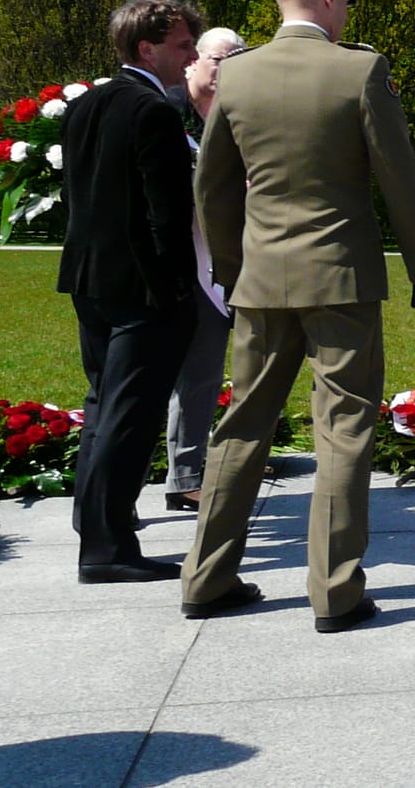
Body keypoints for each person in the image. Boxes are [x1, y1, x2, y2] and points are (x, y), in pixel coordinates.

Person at [181, 0, 415, 633]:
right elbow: (401, 183)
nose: (348, 9)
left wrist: (232, 270)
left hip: (260, 281)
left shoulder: (238, 74)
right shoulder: (359, 69)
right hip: (340, 280)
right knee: (344, 428)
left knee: (242, 426)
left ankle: (206, 578)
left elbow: (213, 186)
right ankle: (334, 590)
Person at [57, 0, 204, 582]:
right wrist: (179, 287)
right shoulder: (153, 112)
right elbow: (166, 213)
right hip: (144, 290)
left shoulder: (84, 106)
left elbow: (76, 197)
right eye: (183, 45)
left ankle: (94, 527)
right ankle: (108, 547)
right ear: (147, 48)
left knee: (102, 406)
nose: (191, 56)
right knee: (129, 416)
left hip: (90, 278)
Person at [165, 25, 246, 514]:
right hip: (171, 264)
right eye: (219, 58)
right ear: (192, 61)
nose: (226, 69)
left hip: (224, 263)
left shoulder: (237, 116)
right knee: (149, 378)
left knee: (205, 372)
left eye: (237, 60)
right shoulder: (166, 111)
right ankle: (124, 486)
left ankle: (191, 472)